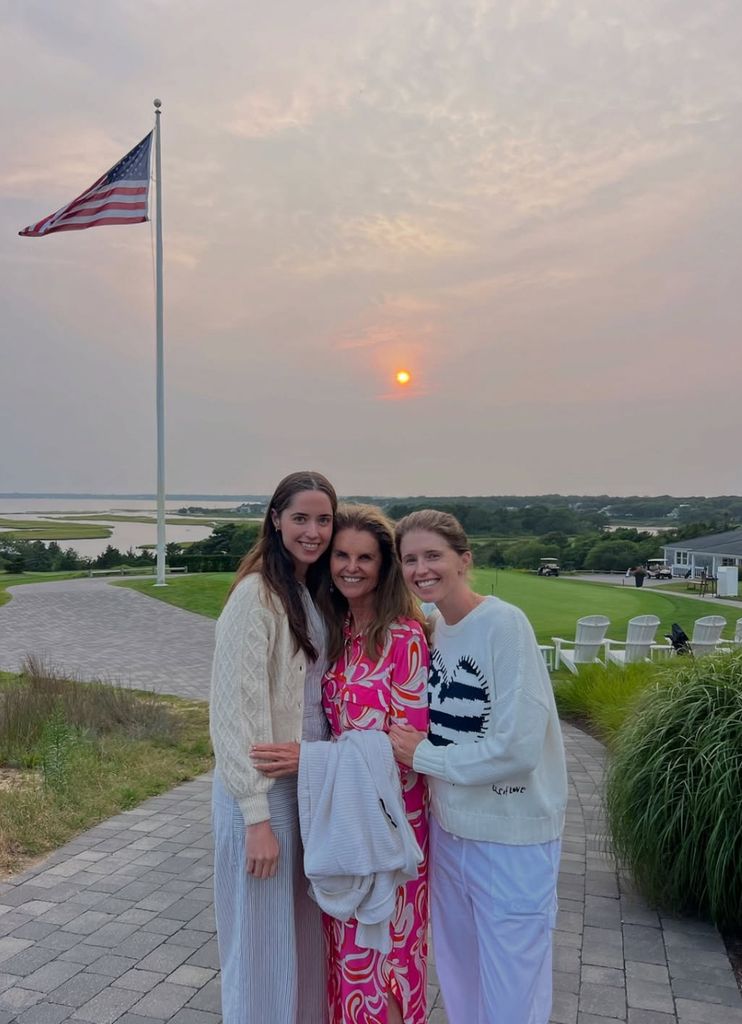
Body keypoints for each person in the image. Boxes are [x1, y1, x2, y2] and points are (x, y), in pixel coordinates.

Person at [389, 509, 567, 1024]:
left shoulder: (504, 624)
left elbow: (518, 747)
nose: (421, 569)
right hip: (450, 833)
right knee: (461, 979)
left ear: (464, 560)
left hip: (511, 837)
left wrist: (422, 755)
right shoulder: (436, 628)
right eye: (410, 559)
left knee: (512, 989)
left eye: (434, 556)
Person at [209, 470, 336, 1024]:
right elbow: (234, 714)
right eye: (301, 518)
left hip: (308, 785)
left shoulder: (315, 592)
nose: (313, 531)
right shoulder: (255, 596)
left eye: (323, 520)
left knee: (305, 936)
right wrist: (255, 817)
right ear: (276, 520)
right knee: (260, 943)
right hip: (261, 797)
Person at [316, 504, 430, 1024]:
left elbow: (404, 752)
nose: (351, 567)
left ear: (384, 567)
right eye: (342, 555)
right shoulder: (335, 629)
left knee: (385, 953)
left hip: (391, 821)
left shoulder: (403, 638)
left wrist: (313, 760)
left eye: (364, 557)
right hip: (344, 815)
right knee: (346, 951)